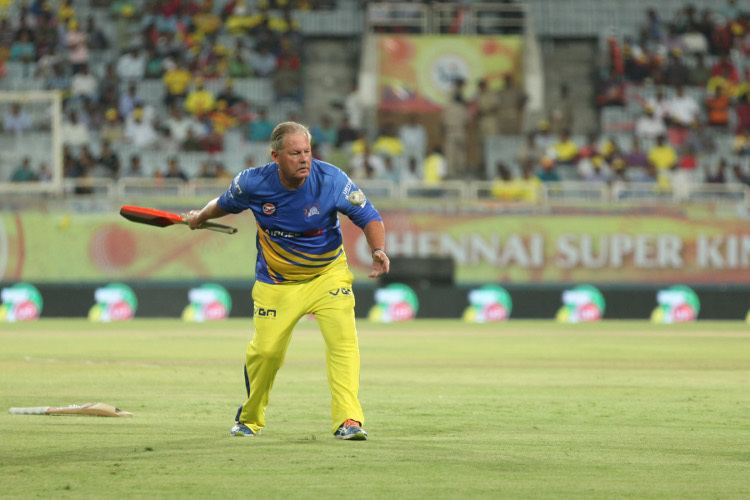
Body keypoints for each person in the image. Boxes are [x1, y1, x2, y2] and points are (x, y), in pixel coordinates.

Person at [185, 121, 390, 440]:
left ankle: (349, 421)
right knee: (266, 353)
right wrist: (200, 217)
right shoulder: (252, 183)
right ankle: (249, 419)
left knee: (343, 345)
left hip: (328, 275)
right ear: (275, 156)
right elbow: (223, 204)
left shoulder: (332, 180)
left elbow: (369, 216)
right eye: (295, 153)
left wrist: (378, 249)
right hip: (276, 283)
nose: (304, 159)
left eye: (307, 151)